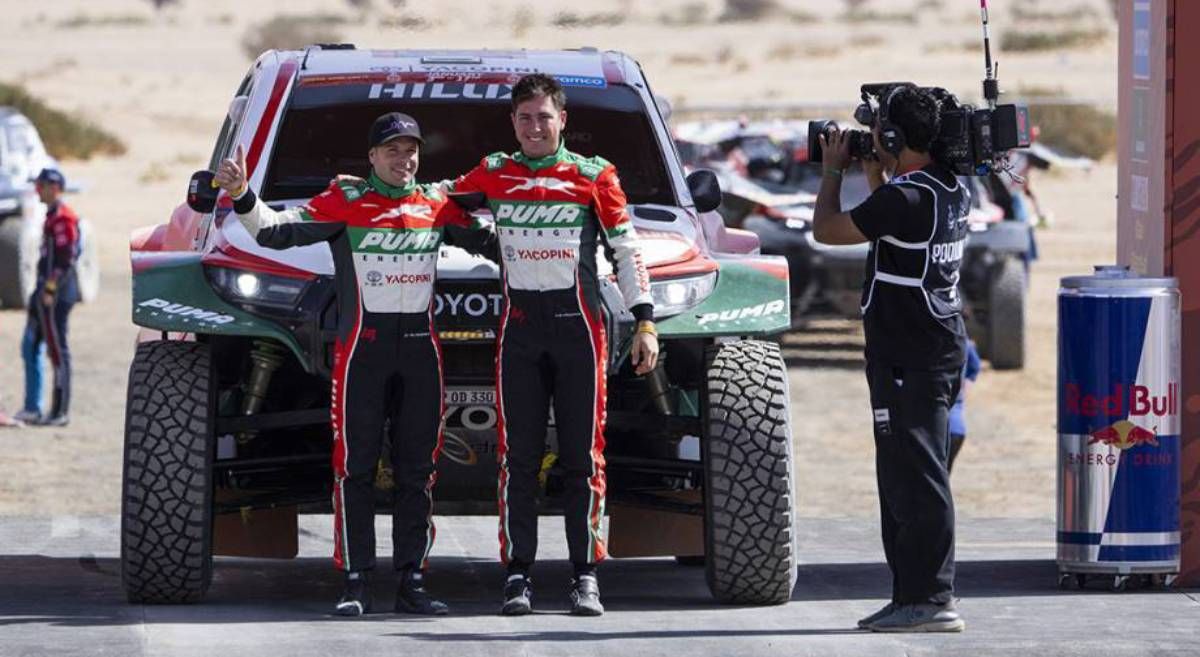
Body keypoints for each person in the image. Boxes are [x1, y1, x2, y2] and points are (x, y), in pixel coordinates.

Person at [214, 112, 495, 617]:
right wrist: (242, 195)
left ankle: (411, 581)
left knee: (418, 473)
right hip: (362, 355)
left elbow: (493, 243)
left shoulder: (436, 204)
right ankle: (356, 581)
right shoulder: (345, 201)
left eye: (411, 150)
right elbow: (276, 233)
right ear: (372, 157)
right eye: (392, 150)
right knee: (355, 470)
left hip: (421, 356)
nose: (403, 159)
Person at [450, 73, 658, 617]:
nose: (534, 127)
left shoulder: (594, 175)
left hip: (579, 331)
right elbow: (440, 205)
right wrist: (485, 241)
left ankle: (585, 574)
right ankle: (517, 574)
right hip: (518, 331)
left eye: (544, 117)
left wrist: (644, 321)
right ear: (512, 122)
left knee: (582, 457)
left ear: (562, 120)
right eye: (525, 118)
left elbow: (627, 248)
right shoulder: (494, 172)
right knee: (517, 458)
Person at [812, 85, 967, 633]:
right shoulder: (946, 188)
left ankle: (932, 599)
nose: (870, 137)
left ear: (896, 138)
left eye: (878, 130)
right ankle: (910, 596)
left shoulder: (904, 200)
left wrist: (834, 172)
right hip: (933, 349)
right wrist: (879, 173)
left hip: (910, 357)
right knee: (906, 476)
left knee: (918, 480)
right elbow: (896, 224)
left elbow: (827, 230)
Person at [15, 168, 79, 427]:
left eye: (40, 186)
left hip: (55, 296)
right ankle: (33, 408)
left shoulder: (64, 217)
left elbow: (66, 259)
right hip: (43, 293)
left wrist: (50, 290)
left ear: (54, 188)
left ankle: (59, 412)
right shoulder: (52, 215)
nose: (37, 191)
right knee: (29, 345)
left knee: (58, 351)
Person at [948, 338, 981, 472]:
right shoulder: (965, 343)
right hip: (957, 431)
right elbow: (975, 367)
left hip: (938, 430)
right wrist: (966, 384)